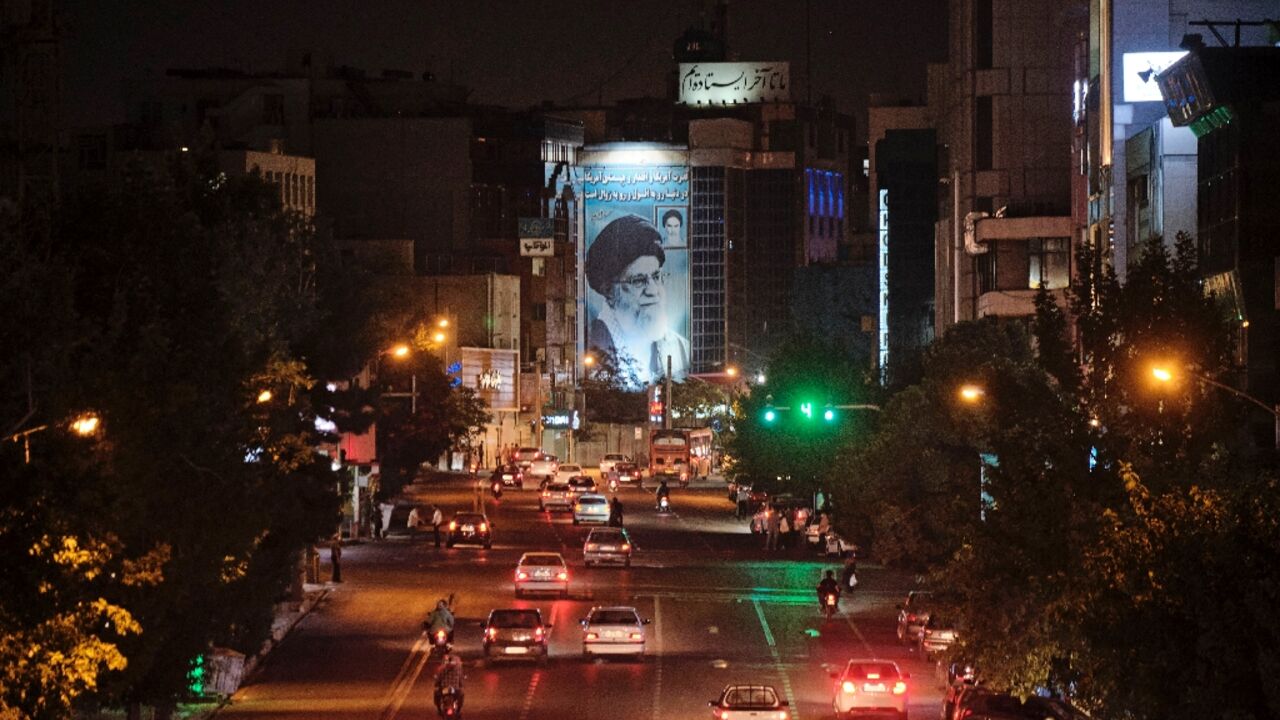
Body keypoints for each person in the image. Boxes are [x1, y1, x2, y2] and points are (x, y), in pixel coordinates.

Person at [585, 215, 690, 386]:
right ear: (609, 291)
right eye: (638, 281)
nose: (653, 290)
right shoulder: (590, 346)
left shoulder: (681, 348)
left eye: (656, 277)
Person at [433, 650, 465, 714]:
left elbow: (438, 679)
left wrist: (436, 684)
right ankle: (458, 710)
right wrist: (461, 685)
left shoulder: (442, 669)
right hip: (455, 689)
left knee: (436, 693)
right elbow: (461, 679)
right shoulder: (458, 668)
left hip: (444, 688)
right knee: (461, 694)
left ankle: (439, 709)